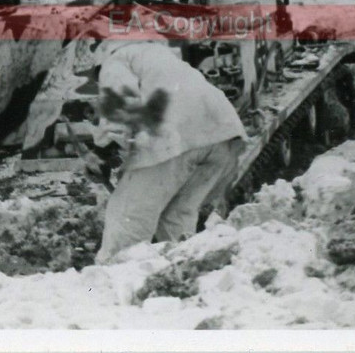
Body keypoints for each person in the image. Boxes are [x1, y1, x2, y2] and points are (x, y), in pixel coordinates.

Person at [93, 41, 247, 264]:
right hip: (221, 136)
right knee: (176, 219)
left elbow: (120, 110)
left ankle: (115, 283)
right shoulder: (157, 54)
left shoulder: (113, 61)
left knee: (127, 221)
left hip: (174, 140)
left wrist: (100, 153)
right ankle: (182, 276)